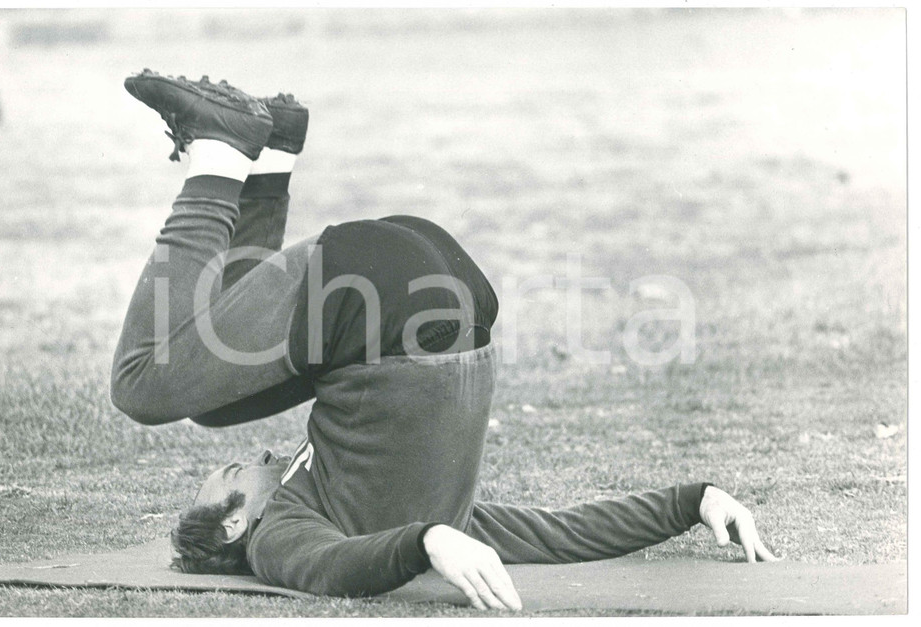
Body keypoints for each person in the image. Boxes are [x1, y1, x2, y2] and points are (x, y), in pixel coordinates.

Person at [111, 70, 778, 612]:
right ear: (233, 523)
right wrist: (691, 500)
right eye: (233, 473)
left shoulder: (379, 501)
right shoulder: (281, 534)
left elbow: (553, 531)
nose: (253, 452)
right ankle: (225, 157)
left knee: (207, 399)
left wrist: (697, 498)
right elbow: (555, 533)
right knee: (143, 382)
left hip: (437, 304)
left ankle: (267, 152)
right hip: (392, 300)